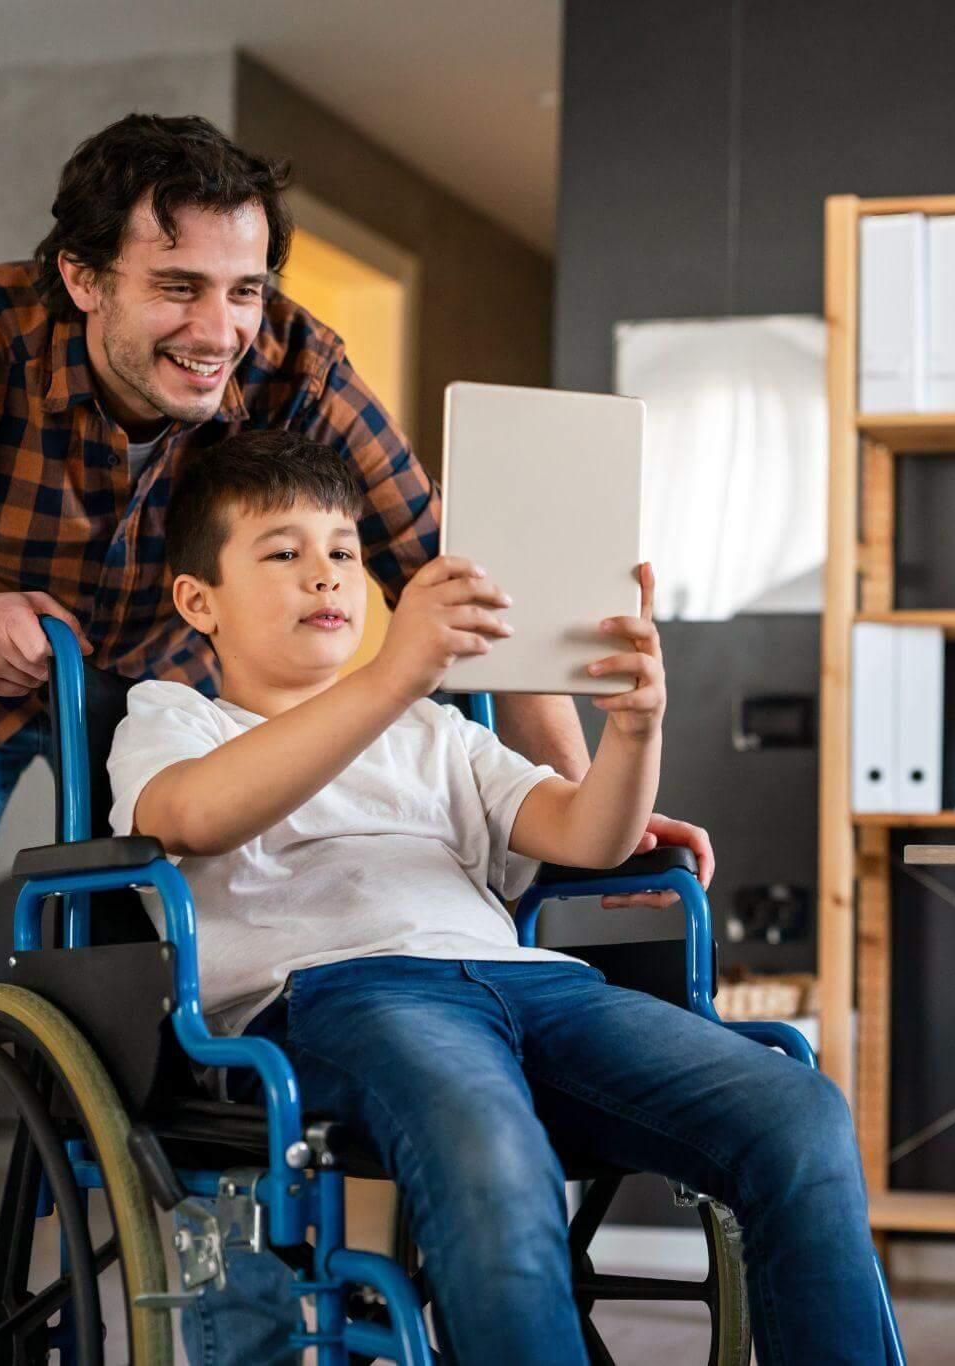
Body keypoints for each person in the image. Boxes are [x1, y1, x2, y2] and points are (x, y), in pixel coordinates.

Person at [0, 113, 712, 1366]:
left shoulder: (294, 359)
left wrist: (585, 818)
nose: (218, 328)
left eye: (242, 288)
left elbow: (469, 588)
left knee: (182, 1004)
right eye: (177, 286)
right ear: (80, 278)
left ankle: (237, 1331)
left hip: (170, 700)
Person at [104, 430, 886, 1364]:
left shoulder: (438, 733)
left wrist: (636, 729)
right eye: (284, 554)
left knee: (798, 1114)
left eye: (345, 554)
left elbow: (586, 835)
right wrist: (396, 672)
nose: (327, 577)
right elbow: (188, 818)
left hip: (534, 988)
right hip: (340, 995)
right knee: (489, 1142)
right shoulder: (173, 718)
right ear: (200, 600)